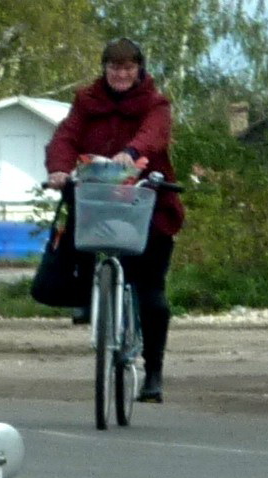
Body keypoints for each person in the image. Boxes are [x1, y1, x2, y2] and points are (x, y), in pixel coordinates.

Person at [46, 37, 184, 403]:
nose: (120, 74)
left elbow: (153, 135)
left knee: (150, 291)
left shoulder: (156, 103)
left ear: (139, 70)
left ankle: (153, 370)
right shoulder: (87, 102)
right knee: (78, 233)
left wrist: (131, 153)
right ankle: (90, 299)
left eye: (127, 68)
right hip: (100, 203)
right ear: (104, 70)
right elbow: (65, 137)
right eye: (114, 67)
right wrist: (59, 169)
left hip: (147, 204)